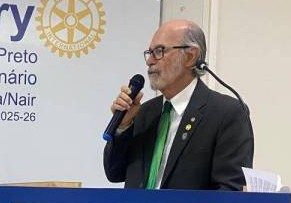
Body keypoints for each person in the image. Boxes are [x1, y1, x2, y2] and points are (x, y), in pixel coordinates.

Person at [103, 20, 253, 190]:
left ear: (190, 56)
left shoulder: (227, 113)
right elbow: (114, 173)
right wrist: (123, 126)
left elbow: (230, 190)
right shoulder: (144, 112)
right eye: (149, 53)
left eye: (159, 51)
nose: (149, 61)